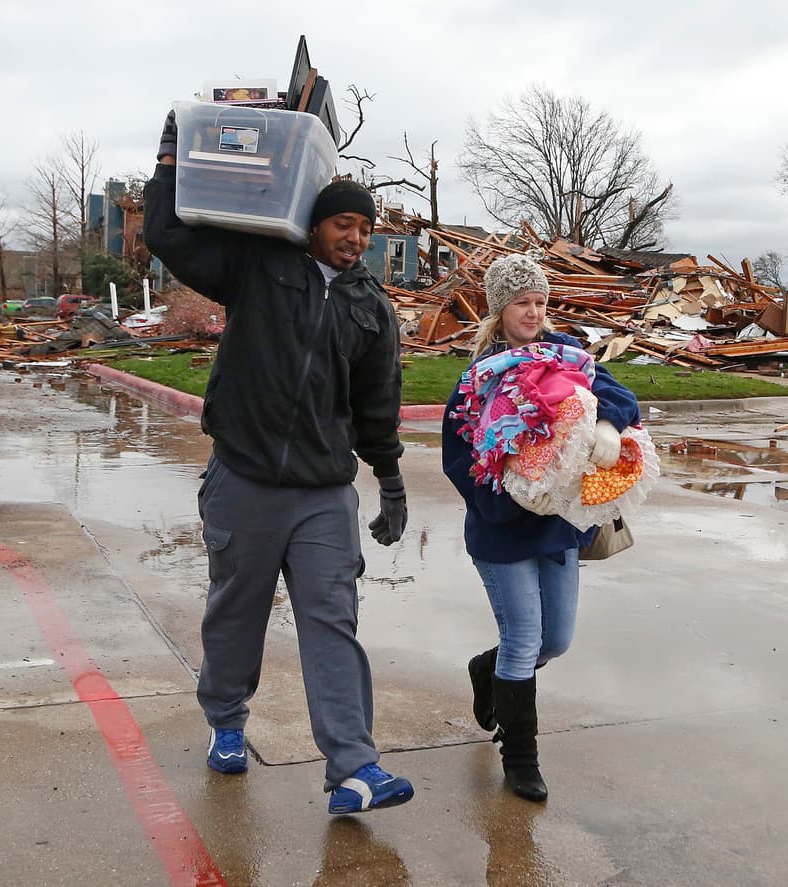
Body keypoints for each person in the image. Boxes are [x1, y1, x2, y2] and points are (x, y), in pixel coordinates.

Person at [143, 110, 413, 815]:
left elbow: (377, 404)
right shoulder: (258, 267)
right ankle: (227, 721)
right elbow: (169, 235)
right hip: (247, 477)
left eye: (364, 228)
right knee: (238, 611)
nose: (354, 237)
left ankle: (354, 768)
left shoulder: (371, 308)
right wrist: (170, 159)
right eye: (342, 224)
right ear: (314, 224)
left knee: (333, 619)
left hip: (324, 492)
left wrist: (388, 478)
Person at [441, 253, 641, 802]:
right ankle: (520, 759)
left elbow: (621, 394)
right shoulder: (480, 377)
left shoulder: (569, 356)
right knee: (524, 639)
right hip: (503, 528)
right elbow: (458, 460)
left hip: (557, 526)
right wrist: (511, 501)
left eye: (540, 302)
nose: (533, 313)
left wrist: (606, 422)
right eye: (522, 303)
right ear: (499, 309)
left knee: (556, 640)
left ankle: (489, 671)